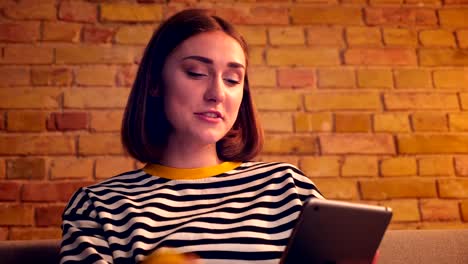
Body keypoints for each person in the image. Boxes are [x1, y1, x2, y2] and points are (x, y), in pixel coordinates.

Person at [59, 9, 323, 264]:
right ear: (154, 83)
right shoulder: (99, 206)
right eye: (196, 73)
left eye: (232, 79)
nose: (217, 93)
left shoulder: (288, 187)